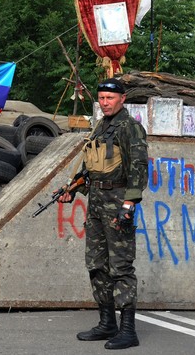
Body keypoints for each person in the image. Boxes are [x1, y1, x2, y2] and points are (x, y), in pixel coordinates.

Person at [59, 77, 148, 350]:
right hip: (97, 201)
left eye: (110, 98)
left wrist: (130, 203)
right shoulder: (101, 126)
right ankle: (107, 322)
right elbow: (93, 167)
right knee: (96, 264)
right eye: (101, 98)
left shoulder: (130, 128)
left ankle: (128, 330)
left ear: (122, 99)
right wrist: (74, 188)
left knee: (120, 266)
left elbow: (139, 167)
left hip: (118, 201)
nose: (104, 102)